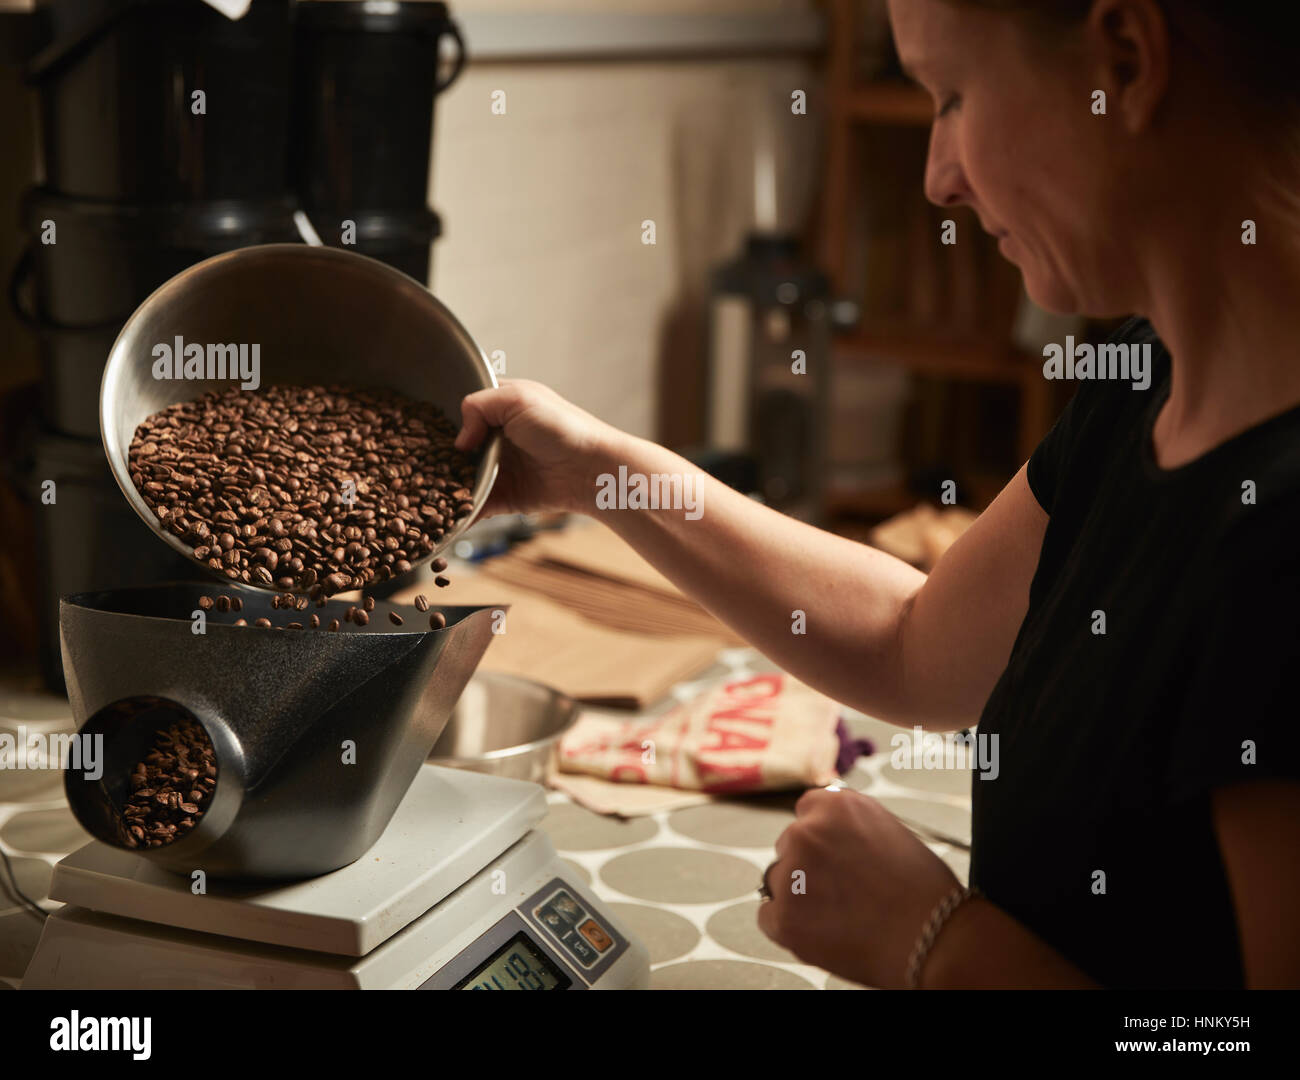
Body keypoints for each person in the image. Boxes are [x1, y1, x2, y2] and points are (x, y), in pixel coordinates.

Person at [454, 0, 1300, 989]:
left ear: (1124, 57)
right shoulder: (1144, 382)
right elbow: (914, 648)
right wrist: (595, 474)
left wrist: (935, 943)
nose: (940, 178)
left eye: (951, 94)